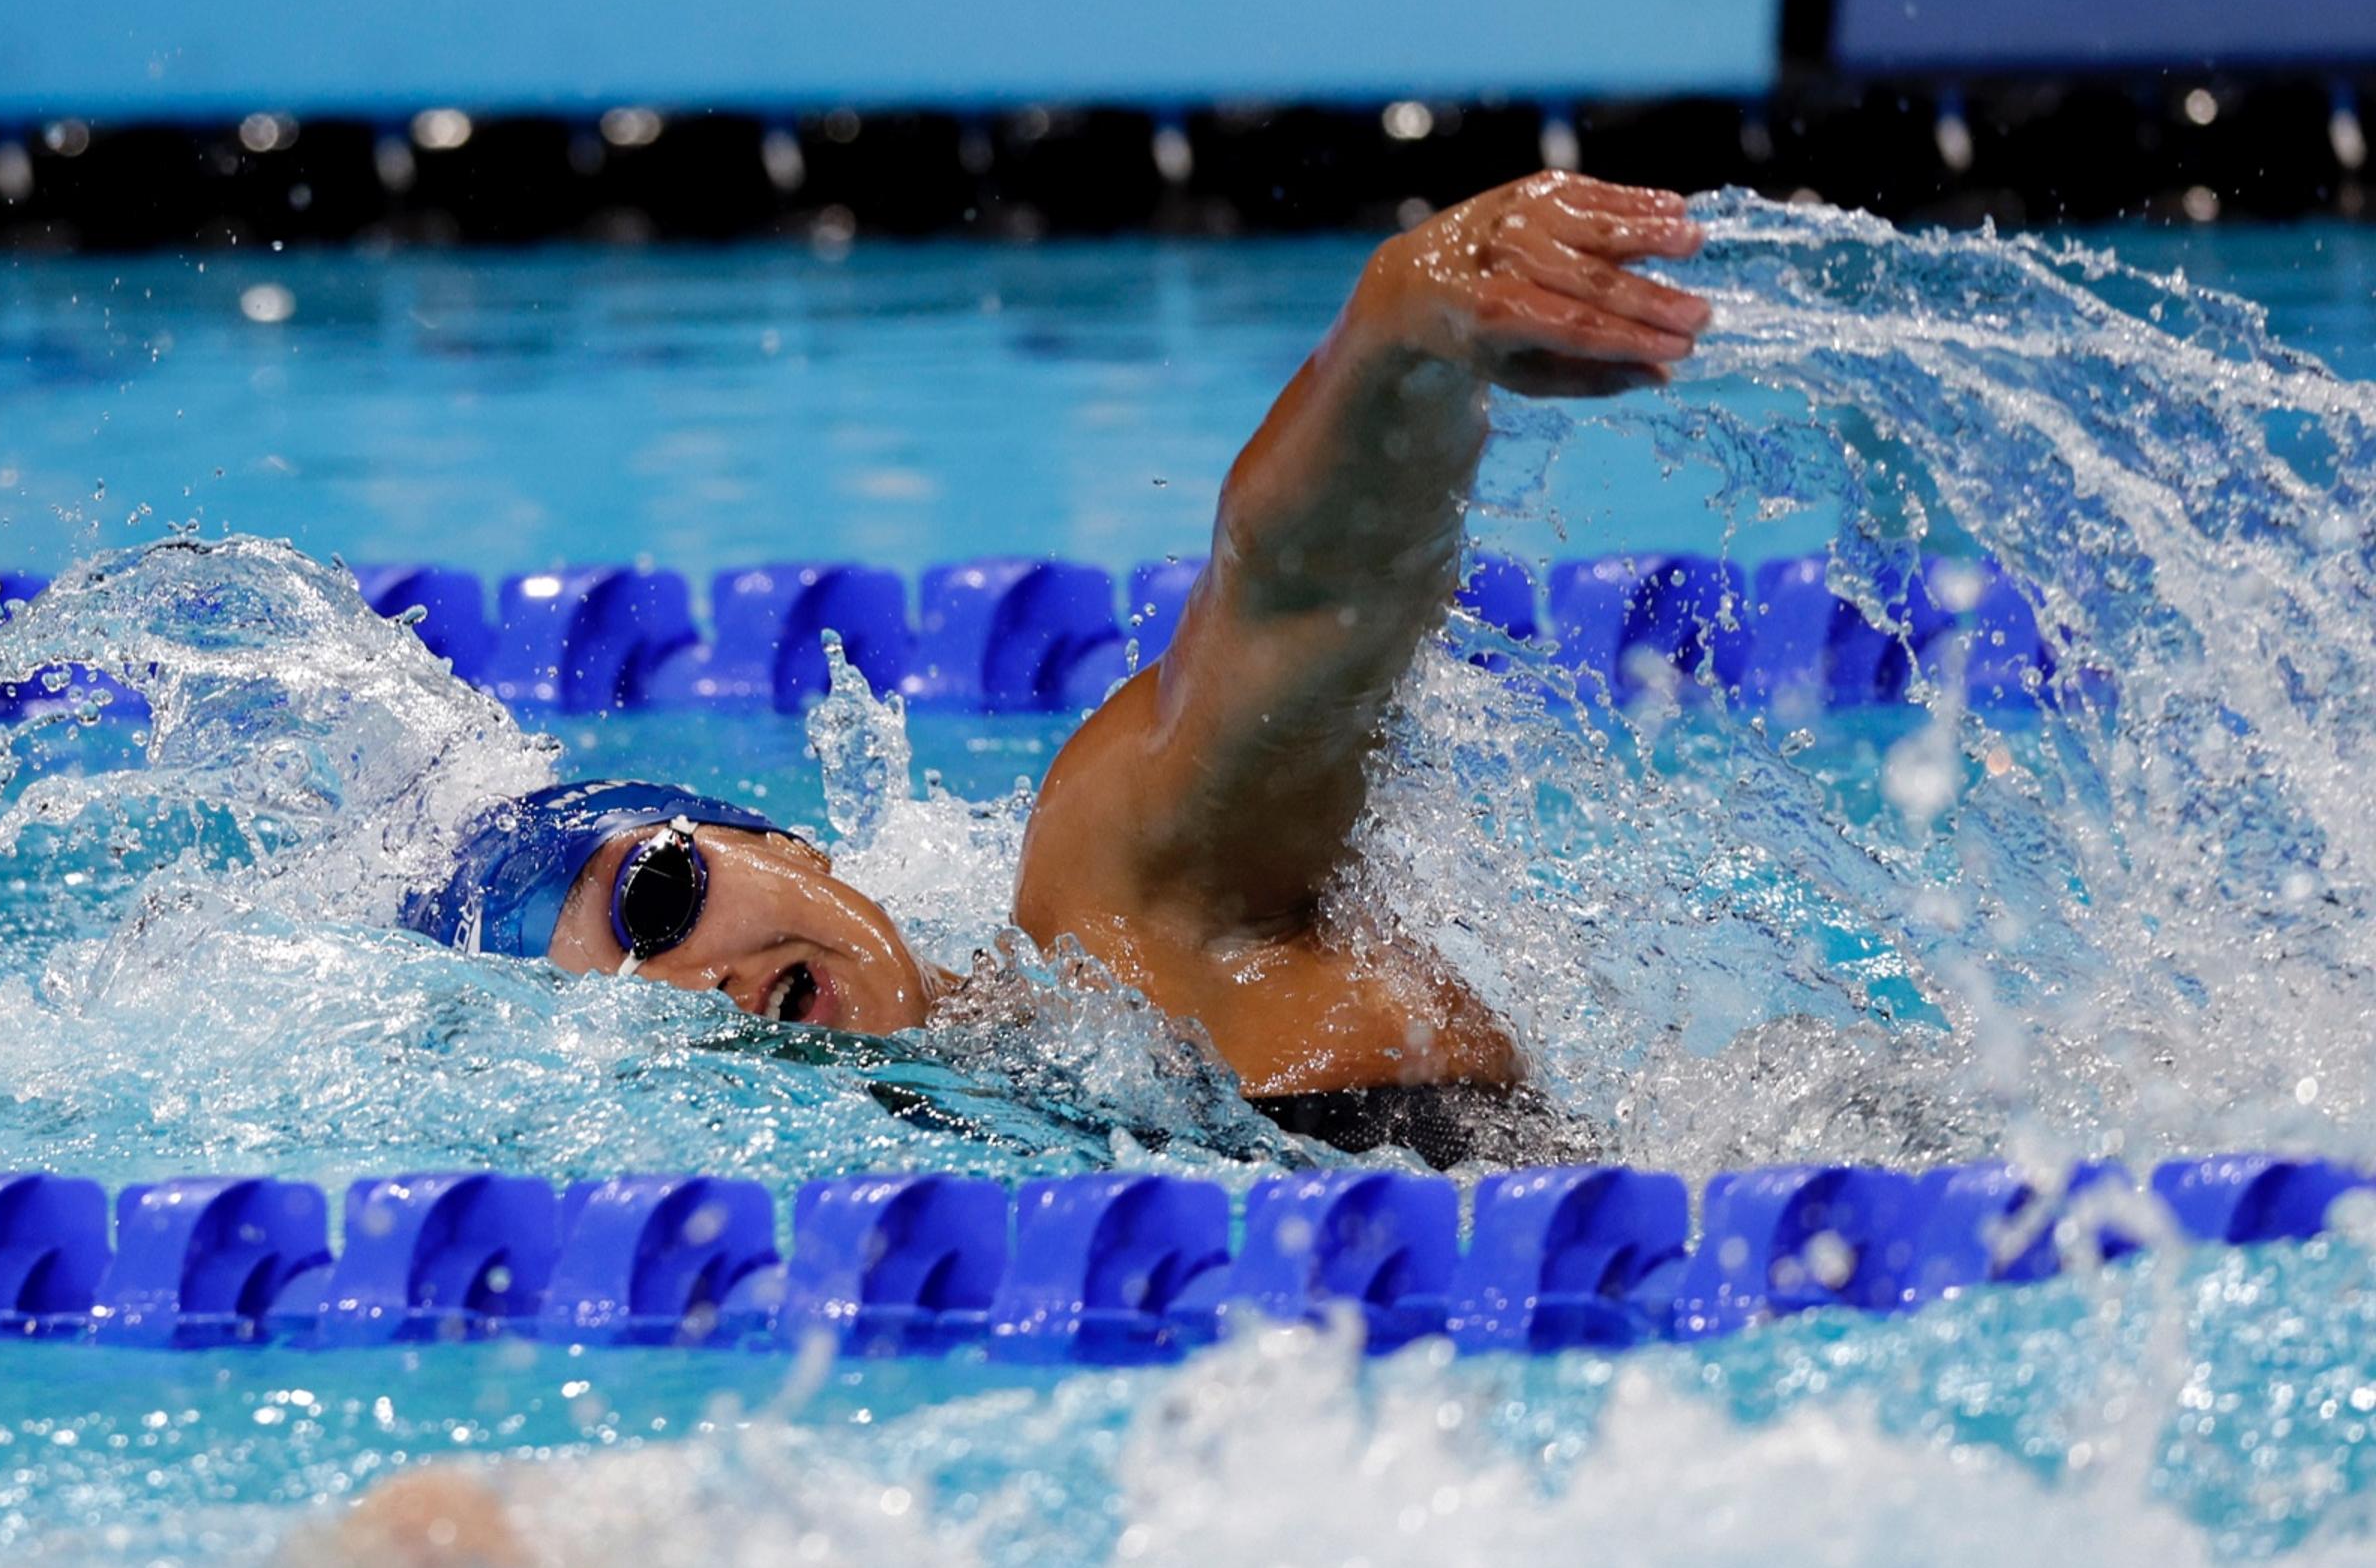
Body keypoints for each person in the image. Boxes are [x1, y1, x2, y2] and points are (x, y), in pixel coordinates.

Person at [398, 172, 1711, 1165]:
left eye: (662, 899)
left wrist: (1393, 338)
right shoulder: (934, 1175)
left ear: (788, 846)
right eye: (625, 1014)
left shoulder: (1118, 914)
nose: (700, 988)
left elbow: (1296, 601)